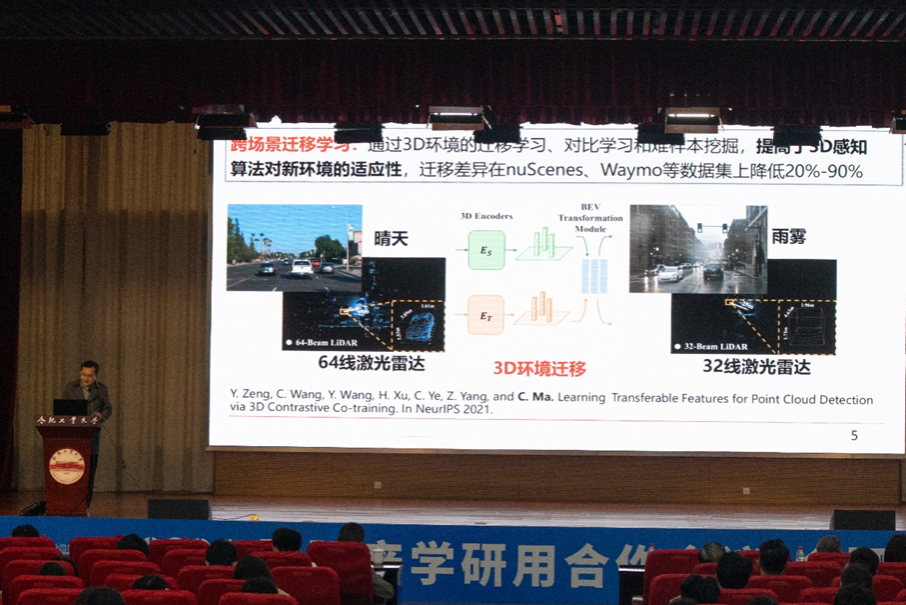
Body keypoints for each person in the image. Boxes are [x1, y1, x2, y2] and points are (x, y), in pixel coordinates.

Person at [61, 360, 113, 508]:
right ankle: (70, 503)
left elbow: (108, 409)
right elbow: (62, 409)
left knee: (89, 473)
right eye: (83, 374)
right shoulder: (71, 387)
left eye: (90, 376)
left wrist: (101, 416)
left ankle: (84, 506)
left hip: (92, 437)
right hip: (73, 436)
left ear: (96, 376)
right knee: (72, 471)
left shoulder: (101, 389)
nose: (86, 378)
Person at [337, 522, 394, 603]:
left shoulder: (325, 556)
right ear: (361, 543)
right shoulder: (360, 561)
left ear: (337, 539)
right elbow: (388, 592)